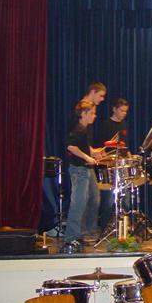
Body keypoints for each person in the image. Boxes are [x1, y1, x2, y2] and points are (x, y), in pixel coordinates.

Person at [62, 100, 104, 252]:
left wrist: (94, 152)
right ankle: (71, 237)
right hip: (79, 170)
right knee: (78, 203)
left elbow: (83, 146)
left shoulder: (86, 129)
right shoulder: (79, 128)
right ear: (84, 114)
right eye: (92, 113)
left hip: (87, 169)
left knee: (94, 197)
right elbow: (71, 146)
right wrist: (87, 157)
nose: (94, 116)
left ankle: (86, 231)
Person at [95, 98, 130, 231]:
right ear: (114, 109)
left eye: (126, 111)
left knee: (126, 199)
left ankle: (124, 228)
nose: (124, 114)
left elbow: (124, 146)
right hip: (108, 167)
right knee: (108, 201)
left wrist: (128, 155)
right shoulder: (105, 125)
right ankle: (104, 227)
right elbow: (100, 147)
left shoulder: (124, 124)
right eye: (121, 111)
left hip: (121, 166)